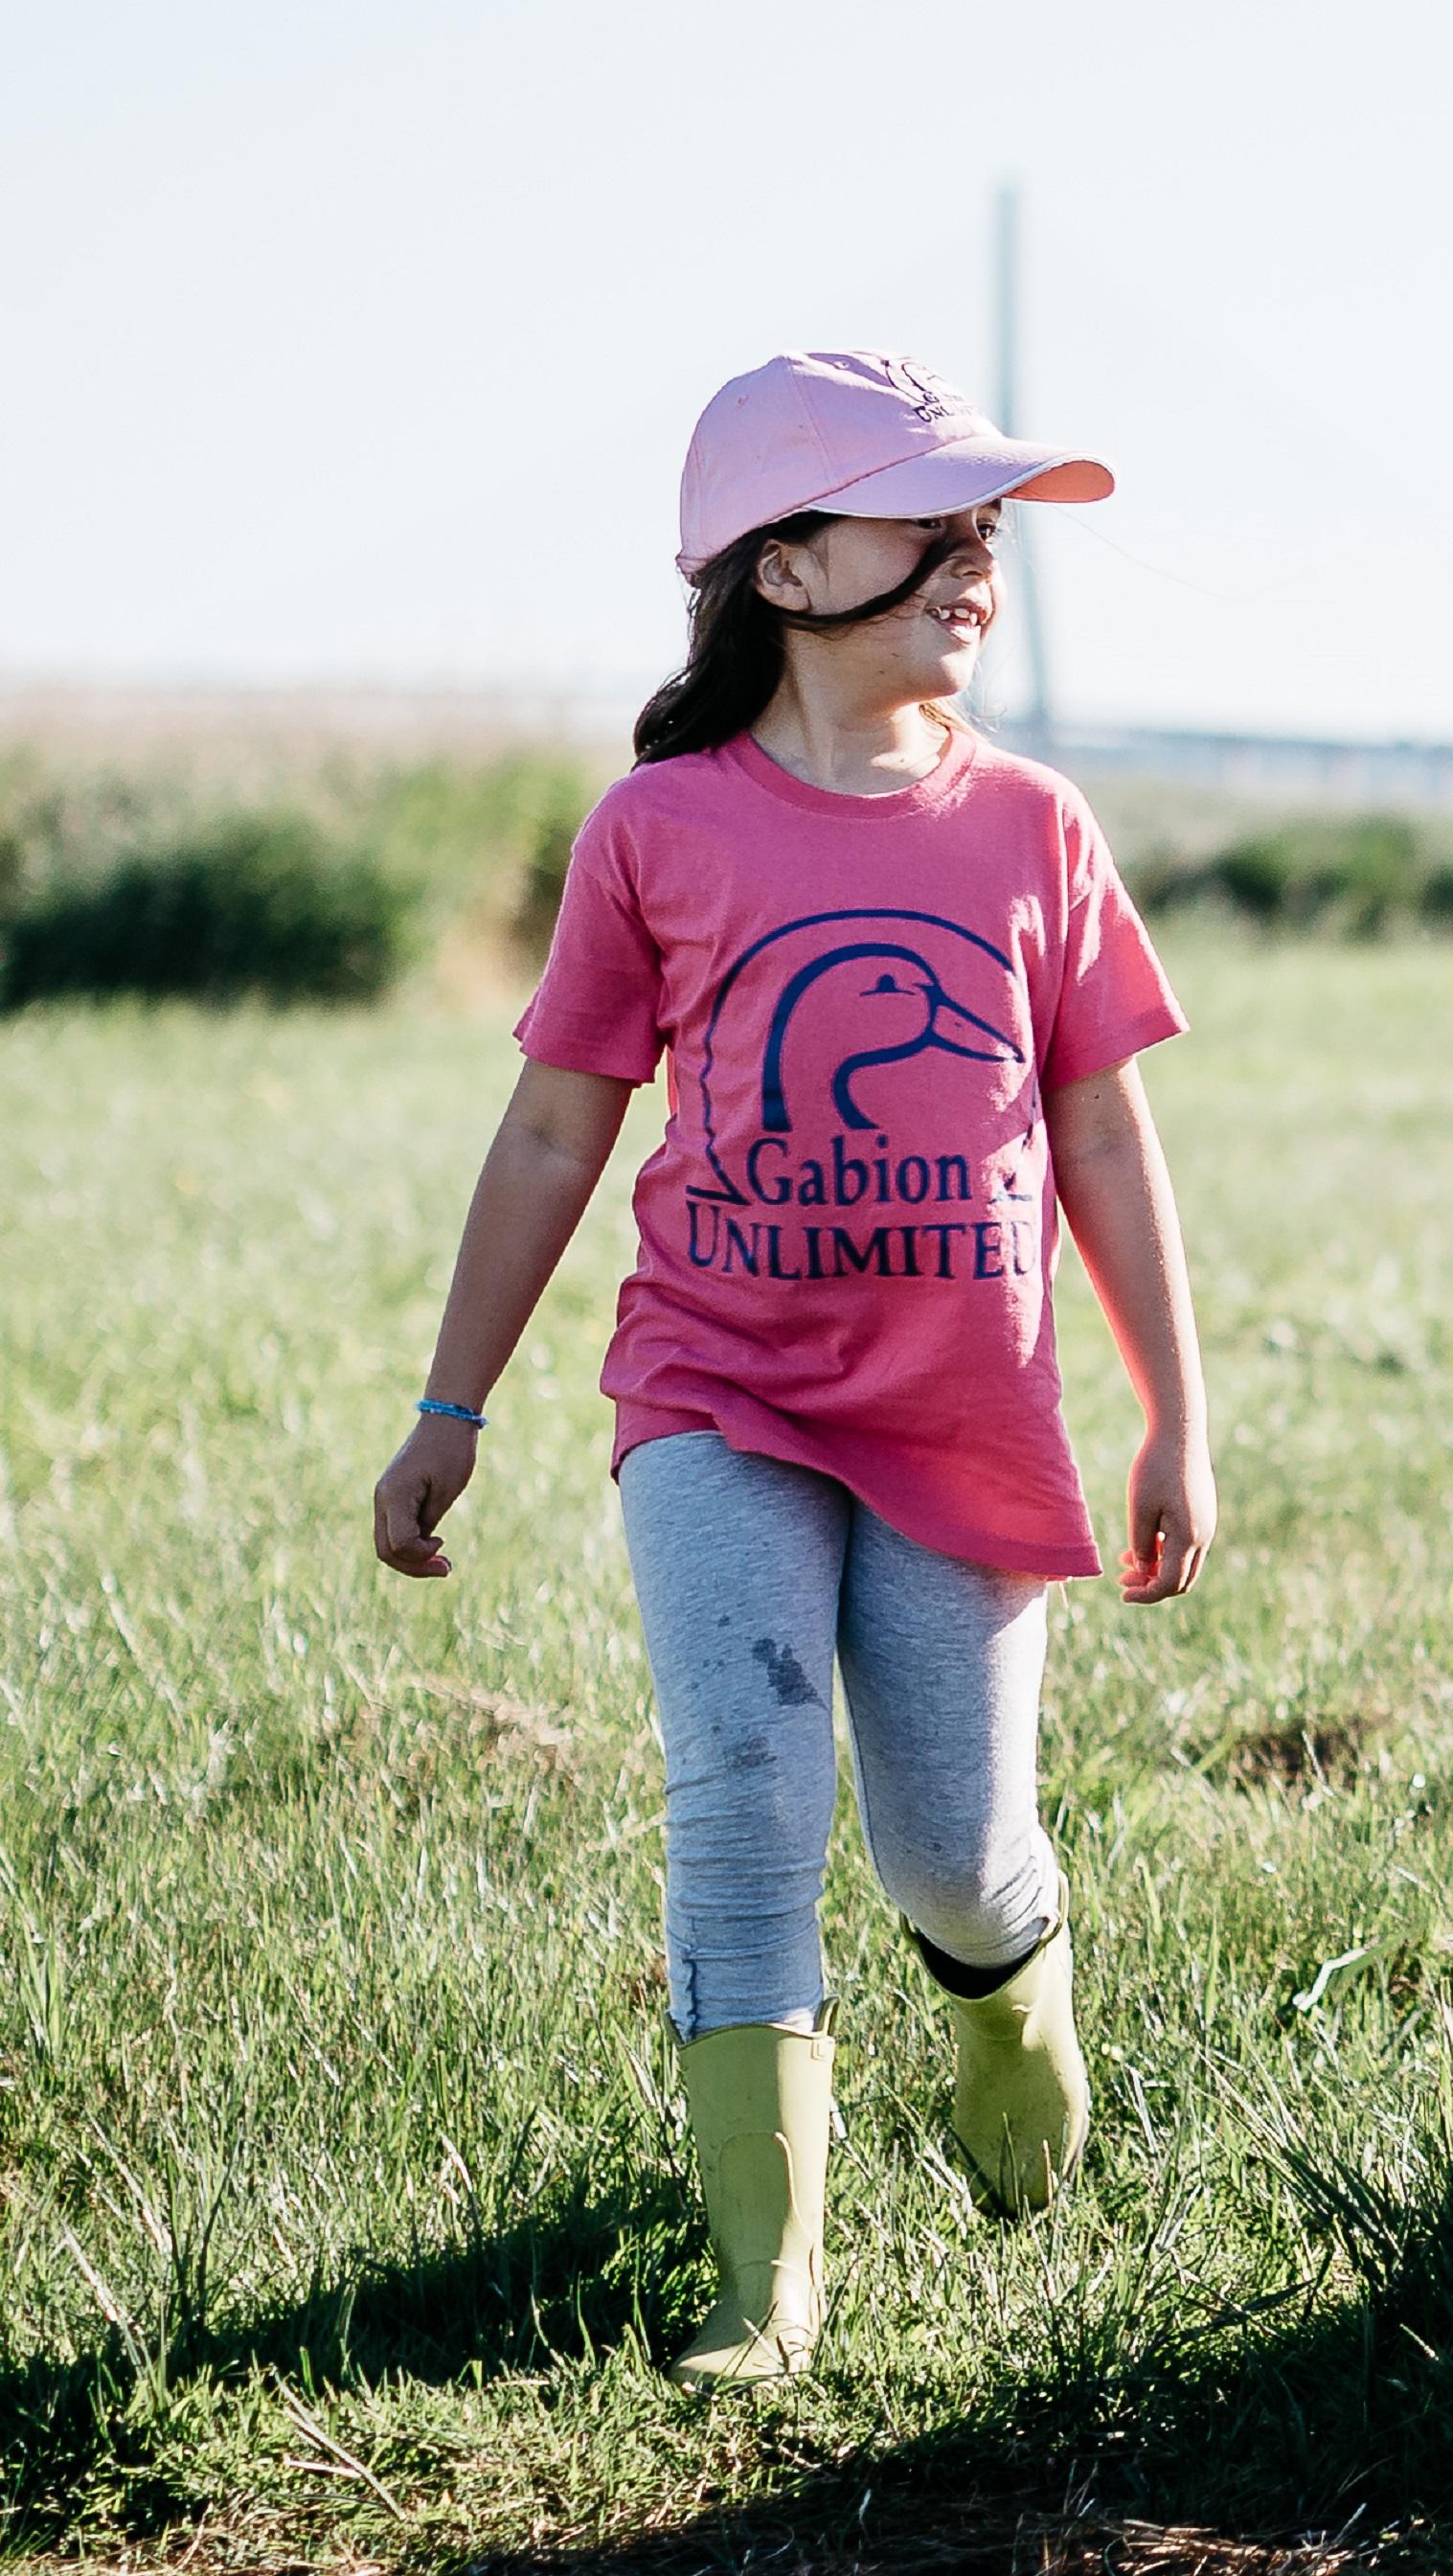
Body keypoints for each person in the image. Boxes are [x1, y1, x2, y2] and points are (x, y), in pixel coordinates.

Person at [367, 350, 1212, 2380]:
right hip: (716, 1394)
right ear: (784, 565)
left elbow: (1098, 1127)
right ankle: (768, 2291)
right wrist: (449, 1406)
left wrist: (1177, 1407)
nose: (974, 568)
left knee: (949, 1842)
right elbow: (559, 1127)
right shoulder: (659, 830)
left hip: (962, 1414)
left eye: (985, 535)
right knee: (743, 1788)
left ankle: (1012, 2003)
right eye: (929, 528)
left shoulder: (1031, 825)